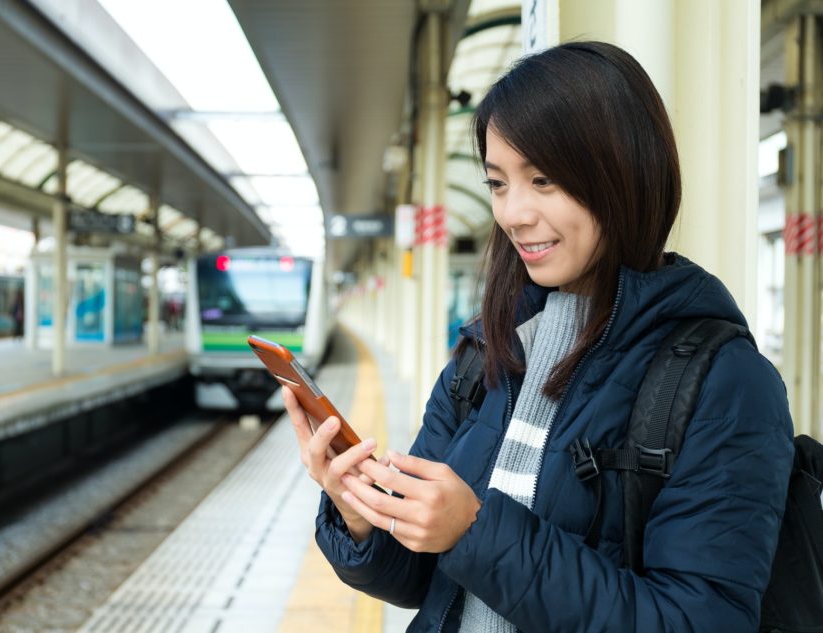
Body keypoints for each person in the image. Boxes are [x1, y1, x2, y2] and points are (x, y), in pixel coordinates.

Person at [281, 41, 794, 632]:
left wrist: (476, 531)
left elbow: (703, 620)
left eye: (543, 179)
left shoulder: (726, 384)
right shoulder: (486, 353)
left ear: (624, 174)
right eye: (498, 183)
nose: (513, 213)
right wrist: (361, 516)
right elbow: (418, 576)